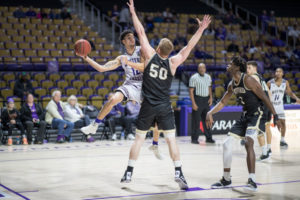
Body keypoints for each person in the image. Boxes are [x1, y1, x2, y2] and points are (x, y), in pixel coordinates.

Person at [120, 0, 211, 190]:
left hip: (148, 105)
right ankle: (179, 171)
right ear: (168, 52)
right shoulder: (173, 63)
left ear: (158, 49)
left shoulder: (151, 55)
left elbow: (141, 32)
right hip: (164, 107)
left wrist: (133, 11)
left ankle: (129, 172)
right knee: (171, 139)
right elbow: (189, 47)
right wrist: (201, 29)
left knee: (138, 139)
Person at [206, 56, 281, 191]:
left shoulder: (248, 80)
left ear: (236, 67)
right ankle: (226, 179)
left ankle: (252, 180)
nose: (228, 65)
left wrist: (275, 115)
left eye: (230, 63)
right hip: (246, 116)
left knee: (248, 142)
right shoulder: (231, 84)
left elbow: (264, 96)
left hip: (257, 113)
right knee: (227, 144)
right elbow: (223, 102)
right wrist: (210, 113)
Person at [246, 61, 273, 161]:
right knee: (267, 127)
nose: (247, 70)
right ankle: (269, 148)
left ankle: (264, 153)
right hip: (268, 104)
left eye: (249, 68)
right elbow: (269, 93)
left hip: (261, 105)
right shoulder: (261, 78)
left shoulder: (253, 77)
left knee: (259, 130)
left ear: (254, 68)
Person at [267, 68, 300, 148]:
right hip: (270, 106)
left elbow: (290, 92)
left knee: (283, 123)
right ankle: (266, 142)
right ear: (275, 73)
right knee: (266, 124)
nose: (278, 73)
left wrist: (296, 98)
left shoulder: (285, 83)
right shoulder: (269, 83)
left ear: (283, 73)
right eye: (276, 71)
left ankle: (282, 140)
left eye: (280, 71)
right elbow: (264, 94)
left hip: (279, 106)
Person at [189, 63, 215, 144]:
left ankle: (209, 138)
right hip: (198, 99)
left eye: (203, 68)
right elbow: (191, 91)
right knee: (196, 121)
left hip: (206, 100)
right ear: (198, 69)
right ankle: (194, 139)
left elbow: (209, 88)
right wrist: (193, 103)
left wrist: (211, 98)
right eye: (200, 68)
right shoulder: (194, 77)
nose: (202, 69)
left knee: (207, 120)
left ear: (205, 69)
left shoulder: (208, 77)